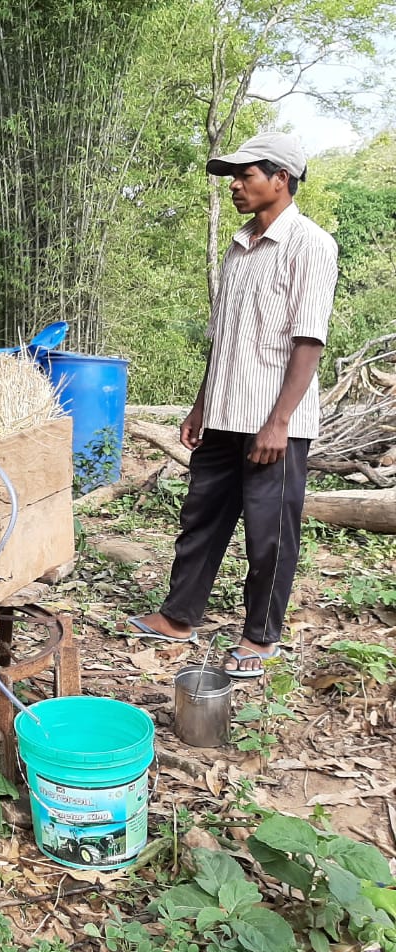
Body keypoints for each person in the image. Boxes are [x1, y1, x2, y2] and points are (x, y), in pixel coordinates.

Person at [126, 132, 337, 679]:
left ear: (281, 179)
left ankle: (260, 638)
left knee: (269, 534)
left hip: (274, 423)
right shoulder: (239, 247)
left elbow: (307, 341)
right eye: (234, 176)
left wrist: (280, 422)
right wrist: (200, 406)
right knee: (200, 518)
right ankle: (179, 617)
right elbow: (224, 340)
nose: (236, 186)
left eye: (246, 175)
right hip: (224, 414)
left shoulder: (311, 245)